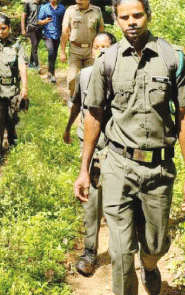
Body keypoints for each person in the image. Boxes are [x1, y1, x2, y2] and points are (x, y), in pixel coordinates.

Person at [73, 0, 185, 295]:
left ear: (148, 15)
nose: (131, 22)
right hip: (118, 164)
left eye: (137, 15)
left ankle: (151, 264)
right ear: (116, 20)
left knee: (155, 244)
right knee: (119, 254)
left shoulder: (172, 58)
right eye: (124, 17)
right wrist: (84, 168)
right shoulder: (107, 61)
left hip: (158, 168)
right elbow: (94, 115)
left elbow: (184, 115)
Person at [63, 32, 115, 277]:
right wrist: (68, 126)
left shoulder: (122, 76)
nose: (101, 51)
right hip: (93, 148)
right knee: (92, 201)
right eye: (97, 47)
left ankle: (121, 249)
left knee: (118, 199)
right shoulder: (84, 76)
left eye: (106, 47)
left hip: (117, 149)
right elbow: (77, 104)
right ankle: (90, 250)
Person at [0, 15, 28, 166]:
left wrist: (24, 87)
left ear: (9, 27)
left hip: (12, 88)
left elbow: (22, 65)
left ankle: (12, 141)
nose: (0, 31)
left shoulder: (17, 44)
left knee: (11, 118)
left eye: (3, 28)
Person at [60, 0, 105, 96]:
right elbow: (65, 32)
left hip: (91, 51)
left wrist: (101, 50)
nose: (78, 1)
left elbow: (101, 31)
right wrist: (62, 51)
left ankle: (87, 103)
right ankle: (73, 99)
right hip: (75, 50)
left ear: (88, 0)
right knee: (72, 78)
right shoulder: (70, 10)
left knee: (91, 78)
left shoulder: (97, 11)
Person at [37, 0, 66, 83]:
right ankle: (51, 74)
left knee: (54, 54)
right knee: (51, 52)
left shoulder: (62, 8)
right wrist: (44, 21)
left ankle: (51, 71)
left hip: (58, 34)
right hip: (47, 34)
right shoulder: (44, 7)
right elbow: (38, 21)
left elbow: (65, 21)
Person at [21, 0, 44, 69]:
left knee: (35, 45)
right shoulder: (28, 3)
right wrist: (23, 29)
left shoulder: (42, 3)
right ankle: (37, 65)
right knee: (34, 44)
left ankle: (30, 63)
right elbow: (23, 16)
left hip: (39, 27)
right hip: (31, 26)